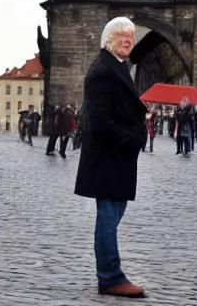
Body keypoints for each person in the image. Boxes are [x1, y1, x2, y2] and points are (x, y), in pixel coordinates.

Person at [74, 16, 148, 299]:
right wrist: (132, 136)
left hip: (116, 157)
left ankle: (108, 271)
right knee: (107, 217)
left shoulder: (115, 68)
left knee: (111, 216)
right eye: (121, 36)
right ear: (108, 40)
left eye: (130, 36)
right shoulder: (102, 71)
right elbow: (99, 122)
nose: (128, 40)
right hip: (108, 157)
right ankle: (110, 277)